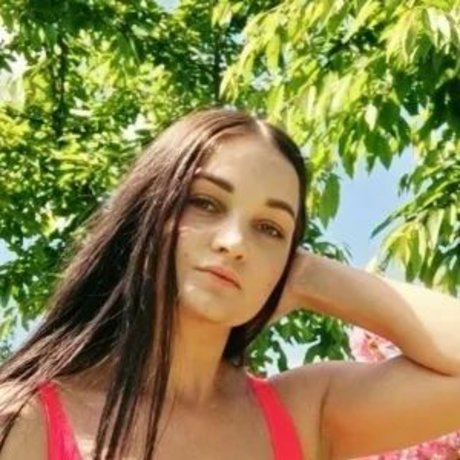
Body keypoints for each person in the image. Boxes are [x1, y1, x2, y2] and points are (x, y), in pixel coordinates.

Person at [0, 108, 459, 460]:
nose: (236, 243)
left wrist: (308, 276)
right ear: (145, 213)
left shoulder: (304, 414)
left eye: (270, 229)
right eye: (205, 203)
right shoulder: (26, 419)